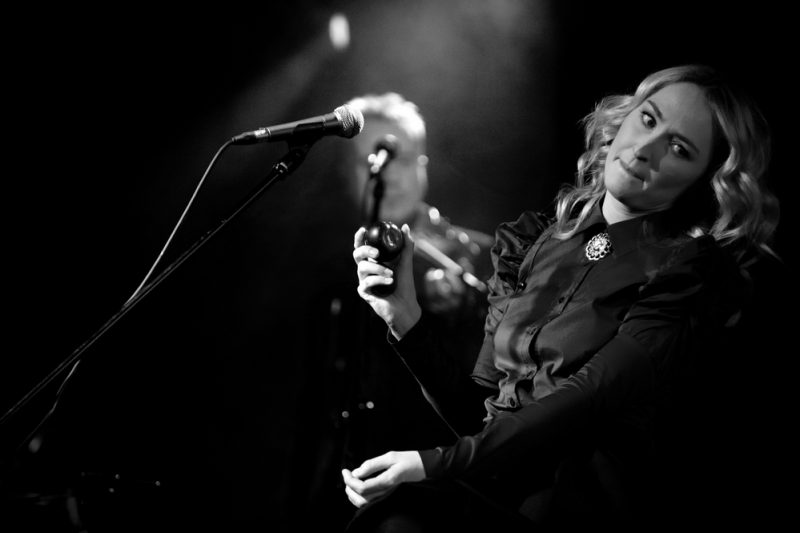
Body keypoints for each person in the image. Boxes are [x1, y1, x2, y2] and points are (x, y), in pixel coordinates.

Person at [344, 64, 781, 531]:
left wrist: (434, 463)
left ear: (702, 179)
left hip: (577, 511)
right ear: (625, 117)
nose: (645, 149)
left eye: (679, 149)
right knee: (388, 516)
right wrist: (406, 316)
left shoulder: (688, 272)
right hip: (497, 492)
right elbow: (482, 417)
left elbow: (588, 396)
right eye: (648, 119)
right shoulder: (533, 243)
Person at [294, 92, 495, 527]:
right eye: (371, 160)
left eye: (399, 157)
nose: (386, 171)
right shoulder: (325, 267)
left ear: (423, 165)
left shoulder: (480, 258)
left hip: (435, 494)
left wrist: (464, 313)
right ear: (352, 172)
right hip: (342, 481)